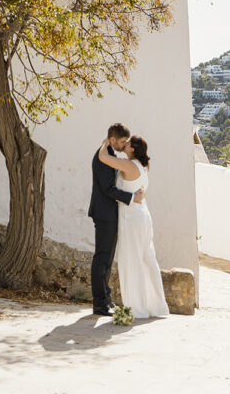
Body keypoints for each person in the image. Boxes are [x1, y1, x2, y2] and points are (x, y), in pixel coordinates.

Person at [96, 134, 169, 319]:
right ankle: (158, 306)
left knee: (132, 262)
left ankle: (137, 309)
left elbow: (103, 158)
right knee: (148, 260)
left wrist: (106, 142)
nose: (124, 145)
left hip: (132, 220)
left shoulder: (129, 165)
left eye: (127, 144)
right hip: (143, 216)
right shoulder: (143, 167)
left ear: (133, 149)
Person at [88, 123, 144, 316]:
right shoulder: (103, 157)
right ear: (112, 140)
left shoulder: (109, 154)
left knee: (108, 259)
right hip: (104, 214)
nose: (124, 145)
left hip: (110, 214)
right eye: (122, 141)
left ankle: (107, 300)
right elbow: (108, 190)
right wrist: (132, 198)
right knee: (102, 258)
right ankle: (100, 303)